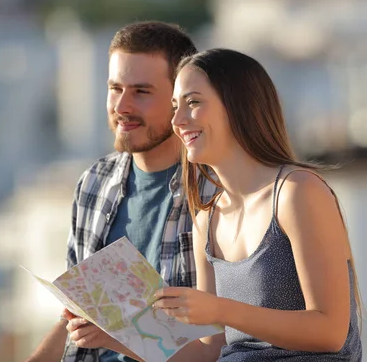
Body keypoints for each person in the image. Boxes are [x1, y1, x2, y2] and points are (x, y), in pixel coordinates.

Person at [24, 22, 219, 362]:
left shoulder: (216, 190)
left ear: (181, 101)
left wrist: (119, 335)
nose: (122, 106)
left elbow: (222, 338)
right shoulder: (94, 183)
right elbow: (77, 314)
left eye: (141, 92)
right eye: (115, 89)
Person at [152, 48, 363, 361]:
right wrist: (118, 339)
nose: (177, 120)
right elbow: (211, 350)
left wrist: (220, 309)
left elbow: (330, 332)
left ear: (239, 106)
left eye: (193, 102)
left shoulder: (297, 193)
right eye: (175, 106)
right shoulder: (206, 221)